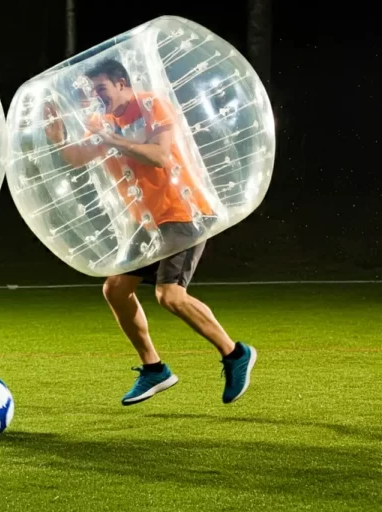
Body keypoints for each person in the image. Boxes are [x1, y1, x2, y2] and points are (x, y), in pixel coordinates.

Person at [44, 58, 256, 405]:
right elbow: (79, 157)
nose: (97, 96)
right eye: (92, 90)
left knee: (169, 295)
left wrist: (113, 138)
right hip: (147, 221)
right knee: (115, 289)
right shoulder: (101, 120)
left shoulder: (149, 104)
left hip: (181, 213)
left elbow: (160, 156)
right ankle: (154, 369)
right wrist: (58, 139)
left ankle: (235, 354)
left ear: (121, 83)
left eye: (101, 88)